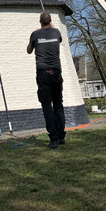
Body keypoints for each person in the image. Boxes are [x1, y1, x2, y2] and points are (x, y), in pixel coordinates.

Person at [27, 11, 66, 149]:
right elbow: (58, 37)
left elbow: (29, 50)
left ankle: (53, 139)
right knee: (58, 104)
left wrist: (34, 35)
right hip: (56, 72)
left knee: (46, 106)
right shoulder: (56, 33)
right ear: (50, 21)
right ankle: (61, 136)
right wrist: (51, 26)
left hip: (43, 73)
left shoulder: (35, 34)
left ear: (40, 22)